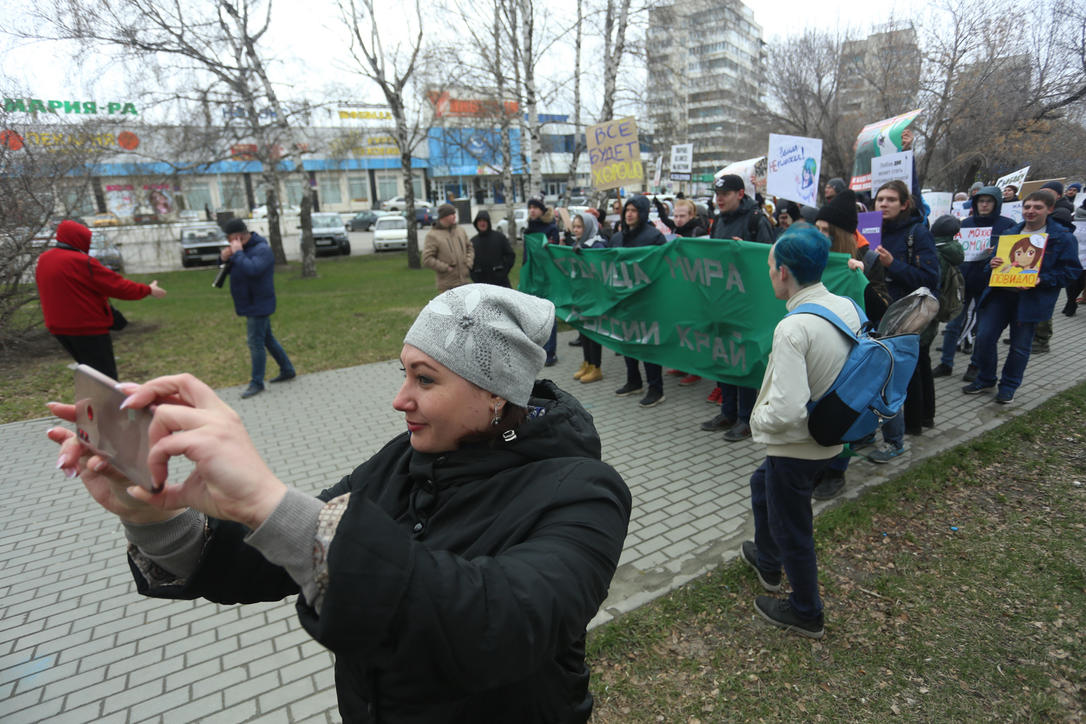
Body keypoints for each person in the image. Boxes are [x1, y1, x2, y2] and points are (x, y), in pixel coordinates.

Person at [46, 284, 632, 724]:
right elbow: (281, 556)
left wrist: (266, 499)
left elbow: (494, 626)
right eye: (403, 373)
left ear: (497, 395)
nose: (399, 399)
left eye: (425, 379)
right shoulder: (401, 460)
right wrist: (154, 516)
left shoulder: (584, 493)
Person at [739, 224, 861, 640]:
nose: (769, 274)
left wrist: (756, 422)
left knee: (794, 529)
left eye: (770, 267)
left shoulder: (793, 328)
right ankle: (767, 560)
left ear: (784, 272)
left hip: (797, 448)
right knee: (761, 486)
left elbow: (788, 411)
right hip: (832, 436)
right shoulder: (845, 306)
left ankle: (807, 611)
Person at [963, 191, 1082, 403]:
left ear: (1050, 209)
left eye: (1037, 207)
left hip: (1031, 300)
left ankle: (1008, 386)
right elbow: (992, 265)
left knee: (1019, 347)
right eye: (1027, 207)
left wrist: (1042, 279)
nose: (1031, 211)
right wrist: (991, 264)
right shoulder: (1011, 233)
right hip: (1000, 296)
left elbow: (1071, 272)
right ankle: (986, 378)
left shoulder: (1062, 238)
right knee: (984, 338)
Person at [36, 219, 167, 380]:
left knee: (90, 373)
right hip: (87, 327)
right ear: (79, 239)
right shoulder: (81, 262)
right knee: (105, 378)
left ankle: (92, 396)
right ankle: (106, 397)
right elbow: (117, 286)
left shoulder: (44, 259)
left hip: (59, 328)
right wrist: (148, 290)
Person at [867, 180, 939, 463]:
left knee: (909, 370)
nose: (883, 204)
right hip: (877, 312)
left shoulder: (917, 233)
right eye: (879, 199)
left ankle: (914, 424)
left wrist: (892, 265)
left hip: (906, 314)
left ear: (904, 204)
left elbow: (930, 280)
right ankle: (898, 424)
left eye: (890, 200)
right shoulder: (870, 229)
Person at [709, 174, 775, 442]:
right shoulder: (718, 221)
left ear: (739, 193)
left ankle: (746, 419)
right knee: (724, 356)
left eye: (725, 194)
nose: (719, 199)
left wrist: (745, 250)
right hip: (722, 300)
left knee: (743, 359)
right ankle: (727, 412)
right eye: (717, 194)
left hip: (747, 303)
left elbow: (768, 257)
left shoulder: (756, 219)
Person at [934, 185, 1016, 380]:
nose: (984, 205)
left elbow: (1012, 254)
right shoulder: (965, 224)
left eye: (989, 201)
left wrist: (996, 252)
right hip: (963, 282)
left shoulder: (1008, 225)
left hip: (989, 285)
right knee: (952, 325)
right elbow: (953, 248)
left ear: (996, 204)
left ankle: (975, 365)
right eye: (981, 201)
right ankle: (946, 363)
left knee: (982, 329)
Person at [220, 218, 295, 399]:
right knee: (267, 338)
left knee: (255, 342)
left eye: (229, 238)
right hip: (248, 301)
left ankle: (257, 383)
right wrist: (223, 258)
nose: (228, 242)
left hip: (259, 303)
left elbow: (253, 269)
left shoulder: (262, 249)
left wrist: (238, 254)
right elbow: (231, 268)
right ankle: (287, 369)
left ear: (238, 236)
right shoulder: (241, 250)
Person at [611, 195, 668, 407]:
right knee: (627, 342)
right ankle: (633, 381)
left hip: (647, 300)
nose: (629, 214)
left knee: (647, 345)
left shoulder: (654, 237)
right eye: (627, 210)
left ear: (642, 213)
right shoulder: (617, 238)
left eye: (634, 210)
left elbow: (663, 266)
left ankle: (656, 388)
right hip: (625, 299)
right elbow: (604, 260)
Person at [568, 212, 608, 384]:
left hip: (594, 297)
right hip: (581, 296)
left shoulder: (597, 245)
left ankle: (596, 367)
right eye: (574, 227)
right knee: (583, 332)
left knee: (593, 332)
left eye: (580, 227)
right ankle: (587, 362)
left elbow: (599, 268)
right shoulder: (577, 244)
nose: (576, 230)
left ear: (589, 228)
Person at [524, 197, 560, 364]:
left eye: (535, 207)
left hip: (547, 277)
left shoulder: (551, 228)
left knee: (549, 314)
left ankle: (550, 352)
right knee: (534, 316)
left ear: (542, 210)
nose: (532, 210)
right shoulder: (529, 229)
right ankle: (538, 352)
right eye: (530, 207)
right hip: (532, 277)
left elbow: (553, 252)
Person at [422, 204, 474, 291]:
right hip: (447, 285)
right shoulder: (432, 235)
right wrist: (446, 268)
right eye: (451, 214)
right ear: (444, 216)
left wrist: (468, 263)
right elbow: (427, 259)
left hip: (465, 283)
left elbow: (469, 248)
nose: (454, 216)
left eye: (454, 214)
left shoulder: (460, 231)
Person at [468, 210, 515, 287]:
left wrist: (502, 272)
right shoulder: (472, 242)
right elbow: (469, 262)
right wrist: (475, 277)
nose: (482, 223)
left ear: (488, 222)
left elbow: (510, 255)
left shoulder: (499, 237)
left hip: (501, 283)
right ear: (476, 223)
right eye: (479, 221)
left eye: (484, 221)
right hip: (481, 284)